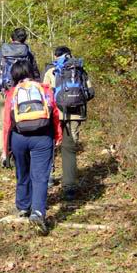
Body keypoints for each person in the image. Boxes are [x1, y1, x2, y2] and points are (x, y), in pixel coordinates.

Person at [1, 60, 62, 235]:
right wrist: (58, 135)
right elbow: (55, 114)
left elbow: (7, 123)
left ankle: (23, 206)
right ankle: (37, 212)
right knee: (40, 176)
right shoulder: (45, 89)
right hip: (42, 137)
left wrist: (5, 149)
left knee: (22, 172)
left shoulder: (12, 93)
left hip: (19, 138)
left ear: (14, 75)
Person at [43, 46, 94, 201]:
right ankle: (69, 186)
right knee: (69, 148)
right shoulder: (79, 69)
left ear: (55, 56)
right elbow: (90, 92)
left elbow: (45, 94)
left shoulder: (51, 71)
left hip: (55, 114)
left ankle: (49, 177)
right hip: (76, 114)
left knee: (50, 143)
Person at [0, 28, 40, 154]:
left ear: (11, 39)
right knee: (23, 120)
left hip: (4, 92)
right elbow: (35, 73)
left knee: (3, 124)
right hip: (24, 92)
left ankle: (5, 153)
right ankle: (22, 152)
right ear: (24, 39)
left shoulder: (2, 51)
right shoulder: (28, 52)